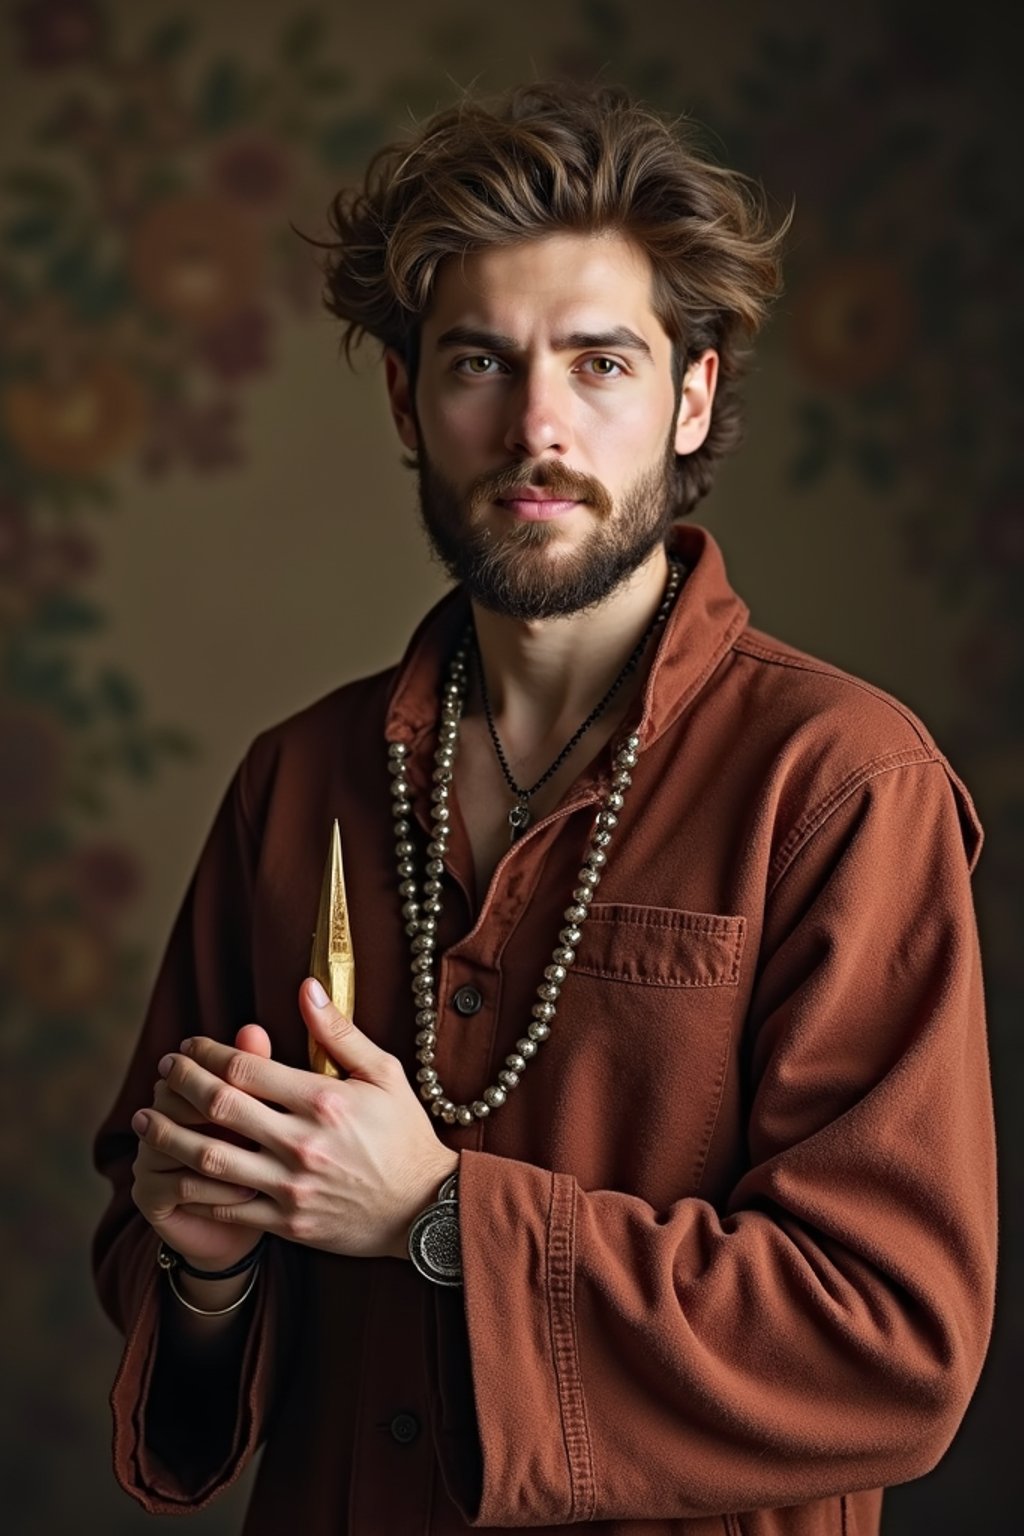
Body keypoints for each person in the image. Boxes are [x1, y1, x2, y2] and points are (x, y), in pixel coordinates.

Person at [92, 82, 996, 1536]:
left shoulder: (844, 784)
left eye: (600, 364)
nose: (537, 425)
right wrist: (208, 1268)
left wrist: (439, 1217)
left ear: (690, 394)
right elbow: (176, 1339)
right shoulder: (294, 779)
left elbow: (891, 1346)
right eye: (478, 362)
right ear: (407, 399)